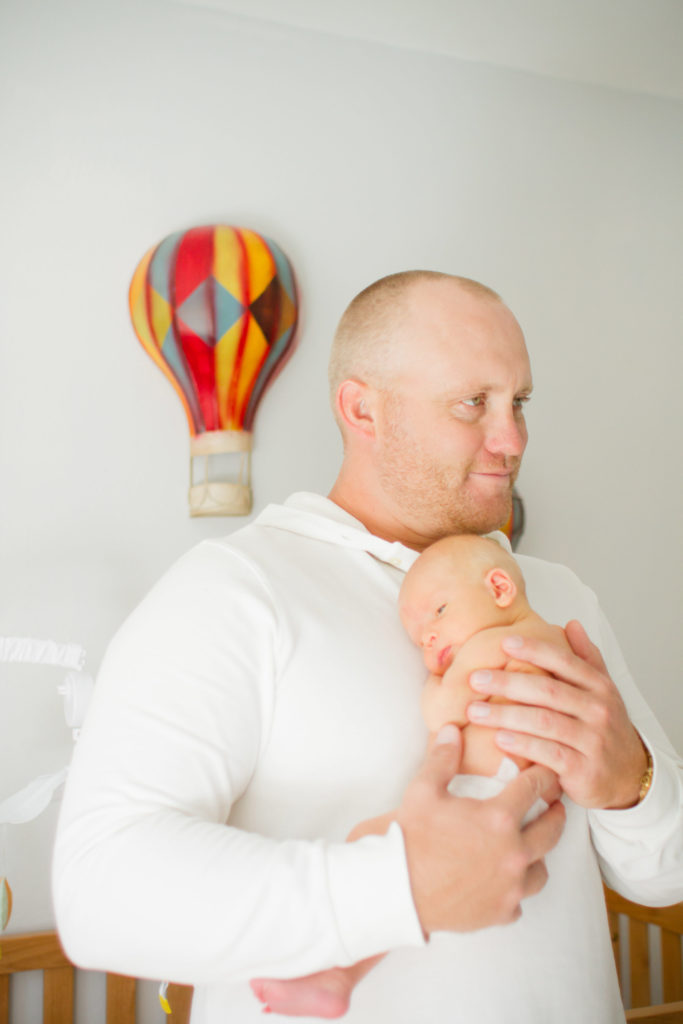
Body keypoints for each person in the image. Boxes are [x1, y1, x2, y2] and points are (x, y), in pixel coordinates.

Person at [53, 272, 683, 1024]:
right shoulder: (233, 590)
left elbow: (663, 877)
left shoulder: (558, 596)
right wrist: (396, 887)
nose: (511, 439)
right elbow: (99, 891)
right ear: (362, 409)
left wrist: (632, 783)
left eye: (518, 403)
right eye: (471, 403)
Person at [250, 532, 573, 1018]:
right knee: (404, 880)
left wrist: (435, 685)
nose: (430, 638)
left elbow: (444, 710)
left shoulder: (497, 645)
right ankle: (338, 973)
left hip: (487, 793)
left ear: (500, 587)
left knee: (369, 842)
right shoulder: (552, 640)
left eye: (439, 612)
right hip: (513, 791)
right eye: (419, 637)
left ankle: (337, 971)